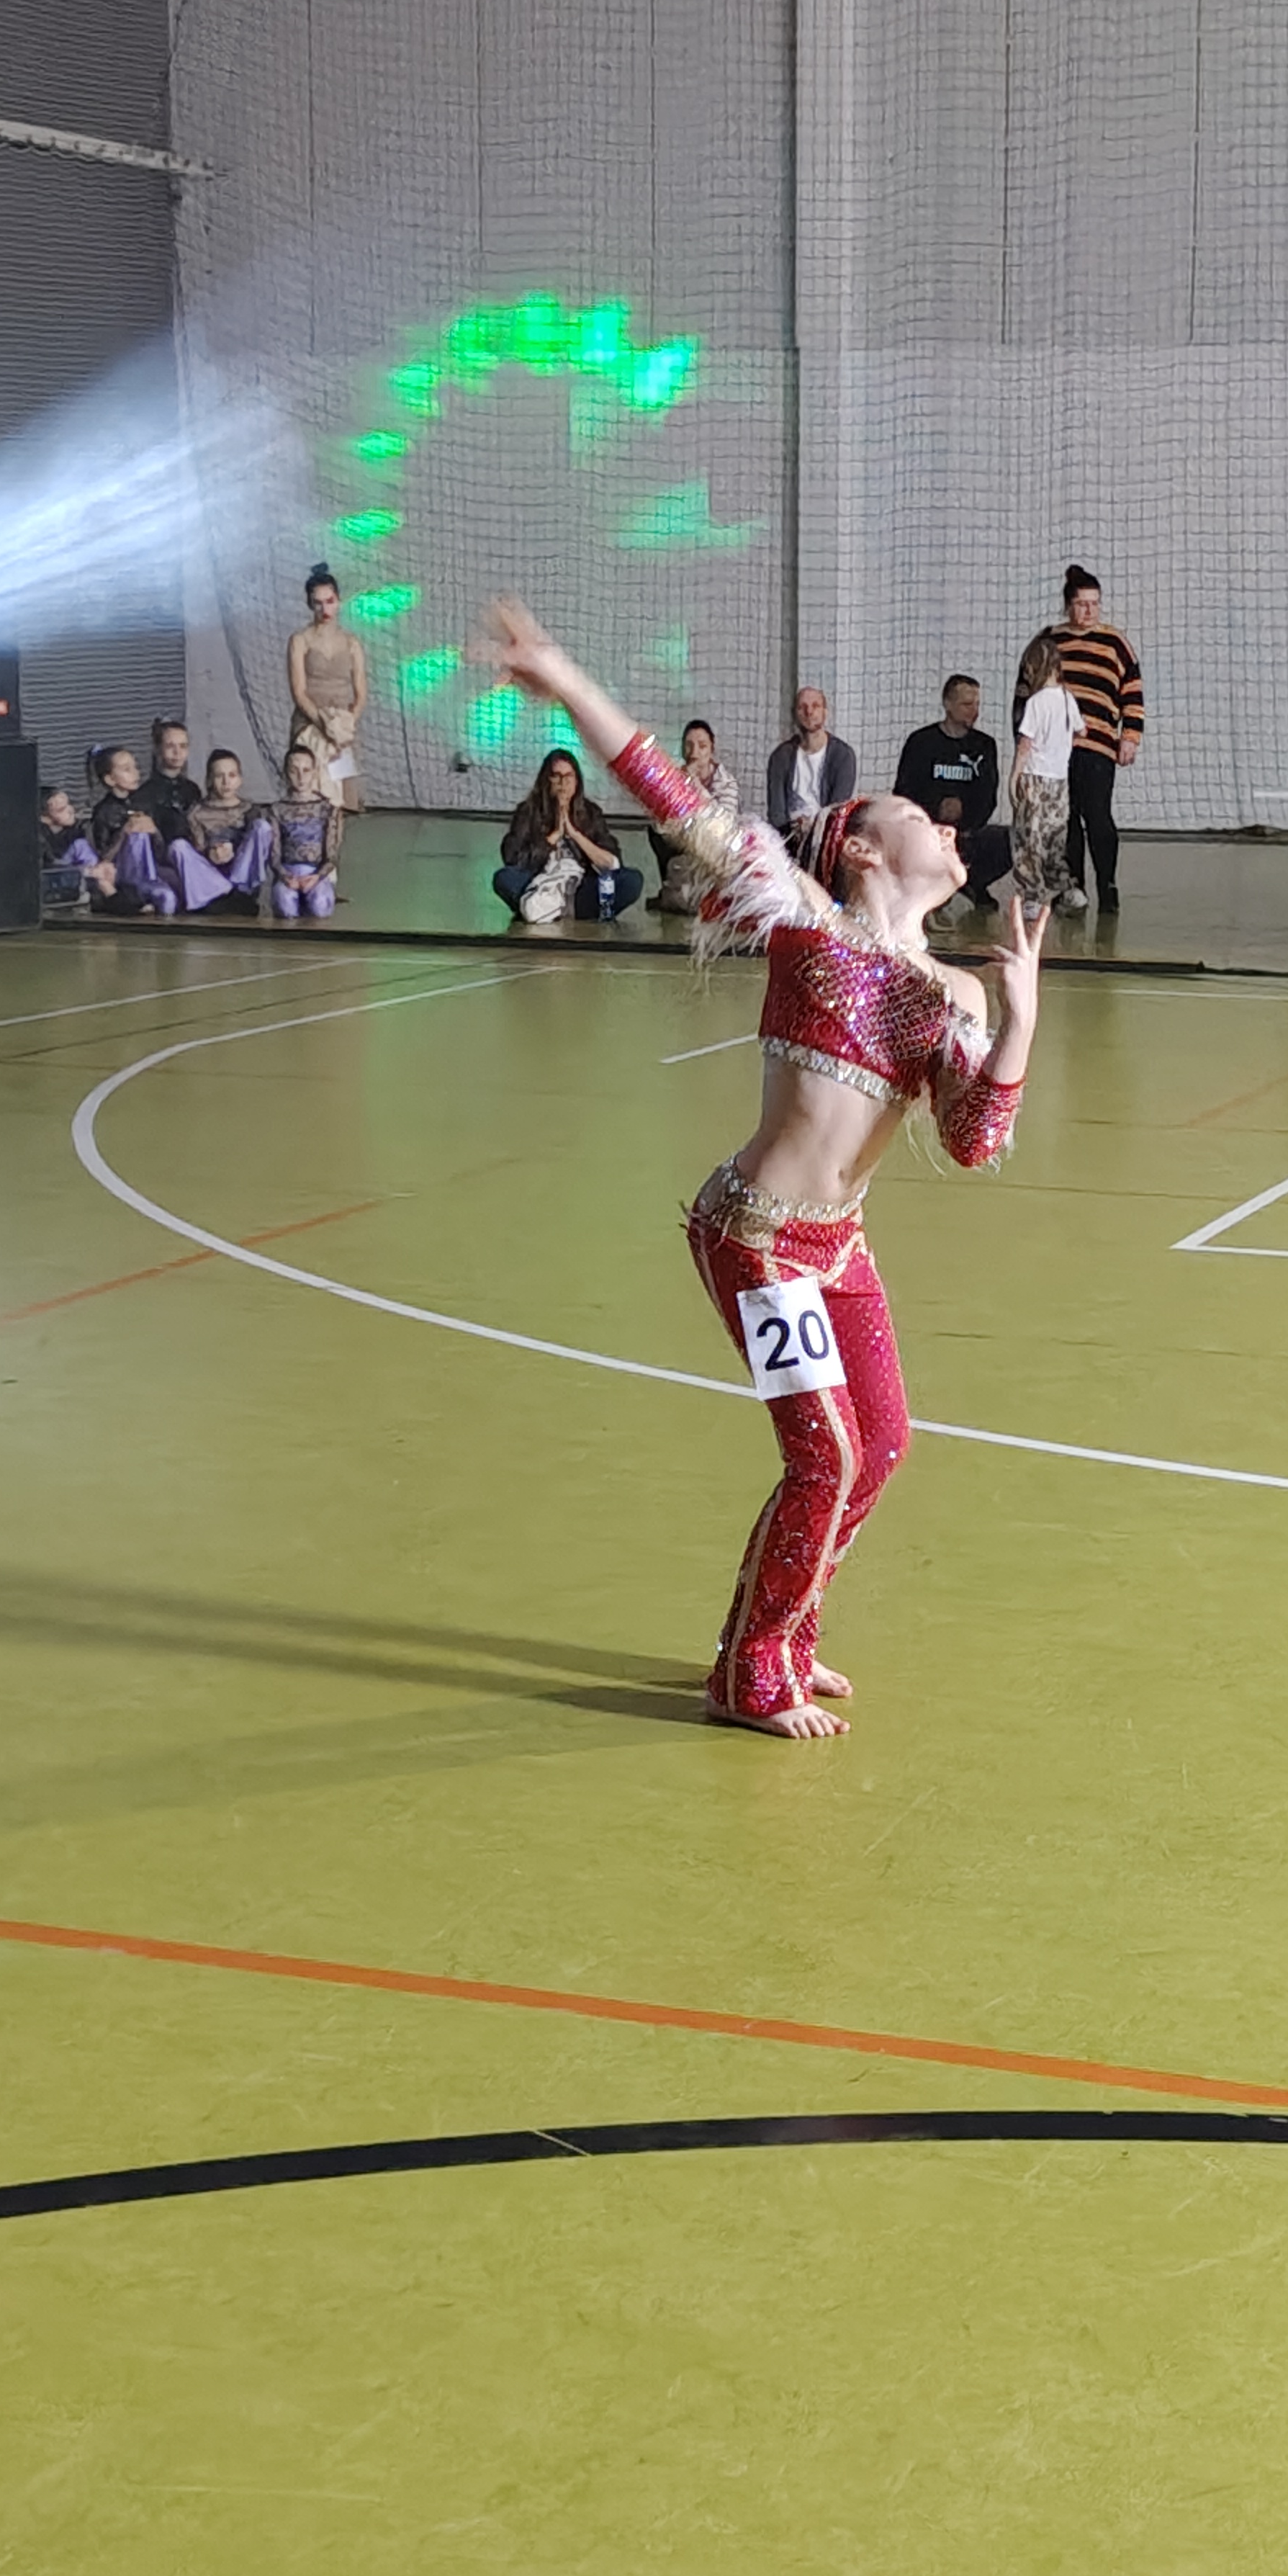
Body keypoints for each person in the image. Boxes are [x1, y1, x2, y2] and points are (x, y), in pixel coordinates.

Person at [488, 594, 1045, 1740]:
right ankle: (749, 1672)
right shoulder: (805, 921)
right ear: (865, 848)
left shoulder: (956, 992)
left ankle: (789, 1629)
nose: (944, 824)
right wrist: (567, 678)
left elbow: (973, 1140)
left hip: (837, 1248)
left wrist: (1022, 1025)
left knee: (880, 1446)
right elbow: (672, 796)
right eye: (914, 814)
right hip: (753, 1236)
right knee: (825, 1456)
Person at [1015, 562, 1142, 913]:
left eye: (1095, 604)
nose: (1090, 611)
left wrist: (1130, 736)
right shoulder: (1048, 641)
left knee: (1098, 816)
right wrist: (1025, 745)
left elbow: (1132, 691)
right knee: (1064, 820)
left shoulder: (1115, 643)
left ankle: (1108, 885)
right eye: (1082, 604)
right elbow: (1025, 694)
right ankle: (1073, 888)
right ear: (1068, 605)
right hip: (1055, 752)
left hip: (1098, 745)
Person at [895, 677, 1012, 907]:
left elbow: (988, 796)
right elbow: (904, 792)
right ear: (948, 704)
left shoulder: (984, 745)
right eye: (967, 705)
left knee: (1010, 841)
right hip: (928, 829)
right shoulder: (921, 742)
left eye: (977, 705)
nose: (974, 711)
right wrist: (936, 808)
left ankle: (971, 884)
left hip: (967, 830)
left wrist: (965, 814)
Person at [492, 749, 647, 922]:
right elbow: (514, 859)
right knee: (504, 879)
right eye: (556, 776)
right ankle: (543, 905)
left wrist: (574, 834)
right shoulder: (528, 811)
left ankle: (553, 910)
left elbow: (613, 862)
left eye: (568, 777)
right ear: (546, 780)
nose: (563, 783)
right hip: (539, 883)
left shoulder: (591, 813)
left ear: (577, 782)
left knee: (632, 880)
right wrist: (554, 836)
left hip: (581, 889)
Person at [1011, 634, 1085, 911]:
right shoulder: (1067, 699)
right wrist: (1062, 743)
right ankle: (1068, 890)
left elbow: (1025, 744)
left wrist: (1014, 777)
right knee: (1055, 839)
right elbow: (1082, 730)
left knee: (1029, 840)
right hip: (1059, 781)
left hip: (1035, 778)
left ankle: (1032, 897)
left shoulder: (1036, 702)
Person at [287, 565, 370, 810]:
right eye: (318, 603)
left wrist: (345, 725)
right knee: (309, 791)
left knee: (341, 795)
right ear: (310, 604)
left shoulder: (352, 642)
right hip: (310, 724)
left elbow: (361, 692)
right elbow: (299, 692)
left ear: (339, 601)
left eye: (330, 601)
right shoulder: (300, 640)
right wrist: (324, 725)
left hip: (342, 728)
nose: (325, 609)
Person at [652, 721, 740, 913]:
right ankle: (674, 891)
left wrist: (696, 787)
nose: (695, 753)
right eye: (689, 745)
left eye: (702, 746)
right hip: (683, 842)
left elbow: (725, 822)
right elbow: (660, 825)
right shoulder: (674, 778)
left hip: (713, 844)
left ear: (712, 749)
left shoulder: (727, 782)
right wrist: (677, 788)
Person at [171, 750, 273, 914]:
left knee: (263, 827)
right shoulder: (196, 812)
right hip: (212, 880)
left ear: (240, 779)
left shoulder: (251, 810)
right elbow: (196, 851)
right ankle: (217, 892)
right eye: (219, 776)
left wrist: (235, 849)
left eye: (232, 775)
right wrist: (210, 853)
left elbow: (255, 849)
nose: (226, 782)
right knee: (178, 846)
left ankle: (240, 890)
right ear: (210, 780)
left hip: (241, 879)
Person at [84, 745, 176, 914]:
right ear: (110, 779)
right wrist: (124, 832)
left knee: (169, 899)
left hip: (151, 870)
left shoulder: (143, 803)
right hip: (122, 874)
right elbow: (103, 857)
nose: (135, 773)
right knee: (138, 836)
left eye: (135, 767)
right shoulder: (103, 811)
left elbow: (160, 850)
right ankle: (138, 888)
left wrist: (154, 831)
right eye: (127, 769)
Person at [765, 685, 857, 834]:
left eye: (816, 706)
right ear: (794, 714)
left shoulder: (842, 755)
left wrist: (815, 830)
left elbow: (838, 809)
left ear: (825, 712)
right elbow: (776, 813)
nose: (809, 712)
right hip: (789, 835)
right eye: (802, 707)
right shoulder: (781, 756)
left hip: (825, 835)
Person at [269, 744, 343, 918]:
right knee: (285, 906)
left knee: (320, 905)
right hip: (289, 875)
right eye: (294, 771)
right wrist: (285, 876)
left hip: (316, 874)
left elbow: (332, 856)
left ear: (314, 772)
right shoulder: (277, 810)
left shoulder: (327, 809)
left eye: (306, 770)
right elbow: (274, 854)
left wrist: (317, 876)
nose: (301, 777)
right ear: (286, 773)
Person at [39, 786, 115, 909]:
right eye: (61, 809)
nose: (71, 810)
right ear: (44, 817)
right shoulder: (39, 837)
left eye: (69, 804)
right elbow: (49, 866)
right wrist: (87, 872)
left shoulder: (80, 830)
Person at [135, 719, 203, 853]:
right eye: (170, 746)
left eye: (183, 746)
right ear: (158, 748)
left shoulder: (192, 789)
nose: (177, 752)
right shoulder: (145, 793)